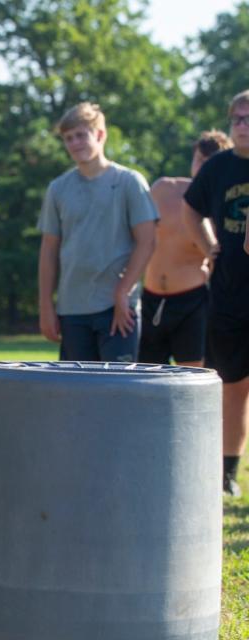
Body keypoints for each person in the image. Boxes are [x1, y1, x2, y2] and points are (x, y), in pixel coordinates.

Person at [37, 102, 158, 363]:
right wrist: (46, 306)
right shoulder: (58, 188)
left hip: (117, 309)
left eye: (81, 135)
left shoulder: (129, 181)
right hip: (72, 309)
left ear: (100, 135)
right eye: (68, 138)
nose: (75, 143)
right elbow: (48, 250)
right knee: (76, 396)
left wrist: (123, 291)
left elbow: (147, 241)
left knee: (117, 393)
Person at [183, 90, 249, 496]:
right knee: (232, 385)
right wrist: (208, 245)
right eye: (237, 118)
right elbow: (192, 208)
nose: (243, 124)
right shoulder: (219, 168)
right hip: (229, 291)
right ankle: (227, 474)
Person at [139, 131, 232, 367]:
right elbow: (134, 237)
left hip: (192, 303)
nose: (204, 168)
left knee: (192, 378)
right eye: (200, 160)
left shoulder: (224, 207)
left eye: (211, 163)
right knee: (143, 378)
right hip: (151, 300)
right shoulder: (164, 189)